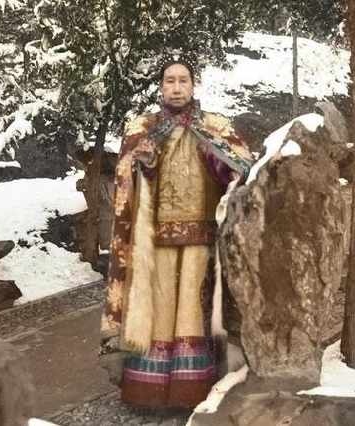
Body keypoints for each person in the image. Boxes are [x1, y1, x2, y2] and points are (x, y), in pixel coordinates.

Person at [102, 52, 254, 409]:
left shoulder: (214, 126)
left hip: (202, 239)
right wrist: (144, 162)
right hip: (154, 240)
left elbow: (242, 170)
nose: (176, 87)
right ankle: (148, 393)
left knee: (192, 314)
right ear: (160, 87)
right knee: (156, 311)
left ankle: (191, 392)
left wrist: (215, 157)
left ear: (193, 85)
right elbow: (126, 177)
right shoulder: (143, 128)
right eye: (169, 81)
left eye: (183, 80)